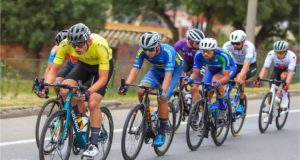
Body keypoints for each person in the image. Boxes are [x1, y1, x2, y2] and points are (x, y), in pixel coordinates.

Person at [36, 23, 114, 158]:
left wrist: (88, 92)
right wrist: (45, 85)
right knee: (64, 89)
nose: (76, 48)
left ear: (88, 41)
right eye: (74, 45)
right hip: (83, 65)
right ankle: (81, 122)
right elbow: (54, 69)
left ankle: (93, 144)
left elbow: (102, 79)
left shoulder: (100, 46)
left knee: (93, 102)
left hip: (102, 68)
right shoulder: (65, 44)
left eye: (80, 44)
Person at [118, 31, 184, 147]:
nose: (148, 53)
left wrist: (164, 92)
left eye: (151, 49)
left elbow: (168, 76)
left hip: (173, 72)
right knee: (141, 90)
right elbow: (135, 69)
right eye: (145, 50)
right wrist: (126, 85)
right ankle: (146, 117)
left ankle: (161, 132)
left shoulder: (168, 52)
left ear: (158, 45)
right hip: (156, 71)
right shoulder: (143, 51)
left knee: (162, 98)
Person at [185, 38, 237, 119]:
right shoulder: (198, 55)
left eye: (208, 51)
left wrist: (219, 82)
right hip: (211, 68)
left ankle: (222, 109)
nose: (205, 54)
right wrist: (190, 79)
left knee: (215, 81)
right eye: (203, 51)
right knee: (206, 89)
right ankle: (208, 113)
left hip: (228, 68)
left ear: (214, 51)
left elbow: (226, 77)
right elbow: (195, 73)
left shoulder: (222, 55)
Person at [254, 40, 297, 110]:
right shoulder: (271, 53)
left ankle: (285, 97)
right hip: (277, 69)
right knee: (271, 90)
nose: (278, 55)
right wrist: (259, 79)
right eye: (277, 52)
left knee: (283, 76)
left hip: (288, 70)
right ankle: (271, 113)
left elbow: (290, 72)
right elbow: (265, 67)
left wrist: (286, 84)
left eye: (281, 52)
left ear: (286, 51)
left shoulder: (292, 56)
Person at [223, 30, 257, 114]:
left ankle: (241, 103)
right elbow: (223, 61)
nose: (234, 45)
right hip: (235, 65)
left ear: (243, 42)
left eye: (237, 43)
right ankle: (225, 99)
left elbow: (246, 65)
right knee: (225, 81)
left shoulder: (249, 47)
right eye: (233, 43)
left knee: (241, 77)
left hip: (250, 65)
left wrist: (239, 77)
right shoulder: (227, 46)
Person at [174, 28, 206, 105]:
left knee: (194, 87)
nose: (200, 45)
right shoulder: (180, 43)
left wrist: (191, 74)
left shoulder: (201, 48)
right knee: (180, 80)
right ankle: (181, 99)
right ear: (191, 41)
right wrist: (181, 72)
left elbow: (200, 65)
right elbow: (172, 56)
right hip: (186, 63)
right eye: (198, 43)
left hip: (199, 64)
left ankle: (196, 109)